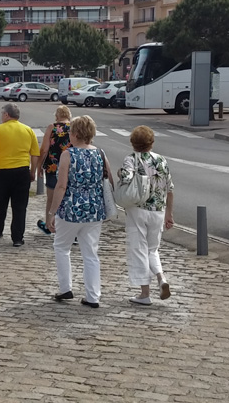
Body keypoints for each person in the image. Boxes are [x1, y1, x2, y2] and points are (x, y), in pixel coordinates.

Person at [45, 115, 106, 308]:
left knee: (62, 247)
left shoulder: (68, 154)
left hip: (71, 209)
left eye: (70, 132)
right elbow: (108, 180)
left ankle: (65, 288)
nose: (68, 135)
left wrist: (52, 212)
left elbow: (61, 186)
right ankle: (93, 295)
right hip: (94, 210)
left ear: (77, 134)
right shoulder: (100, 153)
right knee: (90, 253)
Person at [119, 126, 175, 306]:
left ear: (133, 143)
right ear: (151, 143)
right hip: (158, 210)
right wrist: (169, 214)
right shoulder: (161, 160)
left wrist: (120, 174)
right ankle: (161, 277)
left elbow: (126, 178)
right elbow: (170, 189)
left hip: (138, 209)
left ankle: (145, 293)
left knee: (139, 249)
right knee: (152, 249)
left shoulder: (131, 159)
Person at [0, 103, 39, 247]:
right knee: (20, 206)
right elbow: (34, 154)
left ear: (7, 115)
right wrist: (33, 171)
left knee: (0, 204)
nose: (1, 116)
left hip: (2, 172)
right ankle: (17, 238)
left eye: (2, 114)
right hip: (21, 171)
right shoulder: (28, 130)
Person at [35, 105, 72, 234]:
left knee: (51, 197)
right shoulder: (74, 128)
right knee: (68, 196)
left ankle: (49, 225)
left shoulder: (52, 127)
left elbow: (44, 149)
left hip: (53, 166)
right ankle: (67, 226)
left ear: (57, 116)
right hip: (70, 167)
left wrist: (39, 166)